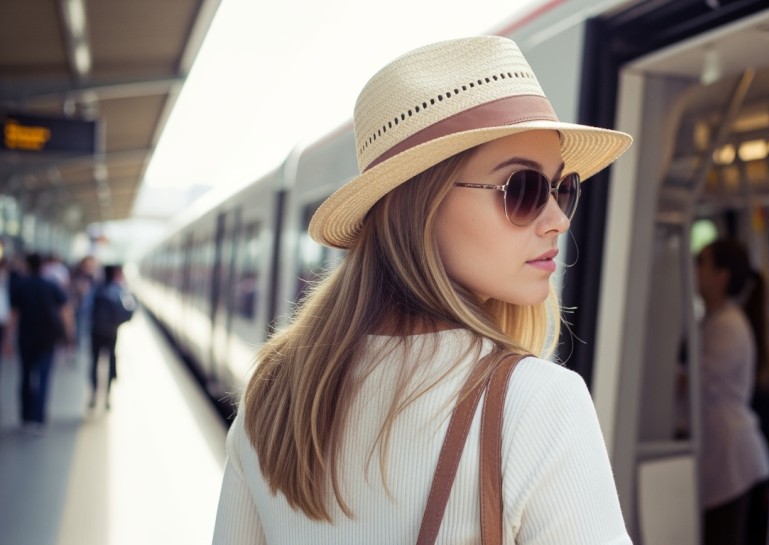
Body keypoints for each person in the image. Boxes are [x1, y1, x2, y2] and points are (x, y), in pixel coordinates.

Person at [211, 36, 633, 544]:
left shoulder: (274, 398)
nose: (556, 221)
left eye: (563, 189)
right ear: (422, 208)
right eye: (523, 189)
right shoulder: (539, 404)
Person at [693, 239, 769, 545]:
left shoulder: (729, 325)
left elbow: (700, 382)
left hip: (731, 454)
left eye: (703, 263)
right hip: (722, 448)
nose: (696, 271)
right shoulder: (713, 320)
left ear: (721, 276)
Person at [8, 252, 71, 435]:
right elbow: (65, 312)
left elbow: (14, 315)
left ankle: (26, 418)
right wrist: (68, 336)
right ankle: (39, 419)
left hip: (26, 338)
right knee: (43, 378)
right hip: (47, 339)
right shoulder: (52, 286)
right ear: (43, 266)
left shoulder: (20, 286)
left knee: (26, 377)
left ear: (27, 265)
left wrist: (7, 340)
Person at [89, 264, 135, 410]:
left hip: (96, 331)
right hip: (111, 332)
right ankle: (108, 397)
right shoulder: (119, 289)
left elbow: (86, 309)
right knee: (111, 360)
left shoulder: (96, 289)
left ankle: (94, 394)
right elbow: (130, 309)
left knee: (95, 362)